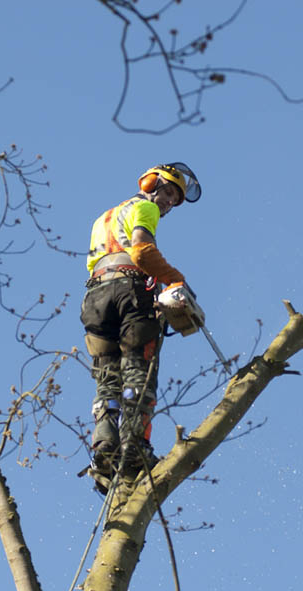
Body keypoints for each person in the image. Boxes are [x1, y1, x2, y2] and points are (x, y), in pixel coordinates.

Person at [80, 163, 201, 492]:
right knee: (138, 369)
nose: (167, 203)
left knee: (107, 378)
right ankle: (135, 449)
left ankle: (104, 449)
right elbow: (142, 252)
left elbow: (100, 261)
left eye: (174, 200)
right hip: (128, 293)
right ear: (151, 184)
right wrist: (177, 282)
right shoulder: (144, 207)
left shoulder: (102, 218)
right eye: (168, 193)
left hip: (95, 297)